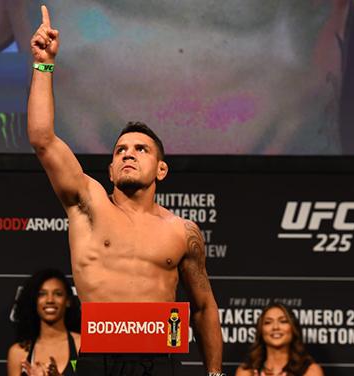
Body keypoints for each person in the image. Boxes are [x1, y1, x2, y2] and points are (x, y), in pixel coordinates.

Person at [27, 6, 223, 375]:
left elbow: (203, 307)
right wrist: (44, 64)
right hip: (98, 360)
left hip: (161, 362)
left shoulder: (183, 233)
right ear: (111, 170)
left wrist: (214, 373)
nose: (129, 154)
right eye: (121, 151)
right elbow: (43, 140)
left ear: (161, 169)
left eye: (141, 149)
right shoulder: (88, 203)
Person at [6, 269, 80, 376]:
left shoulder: (82, 346)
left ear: (68, 301)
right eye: (42, 294)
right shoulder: (18, 353)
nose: (50, 300)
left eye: (58, 294)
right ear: (34, 300)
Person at [235, 303, 323, 376]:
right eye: (268, 322)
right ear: (261, 330)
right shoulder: (246, 372)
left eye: (283, 321)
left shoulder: (310, 371)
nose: (275, 327)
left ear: (293, 328)